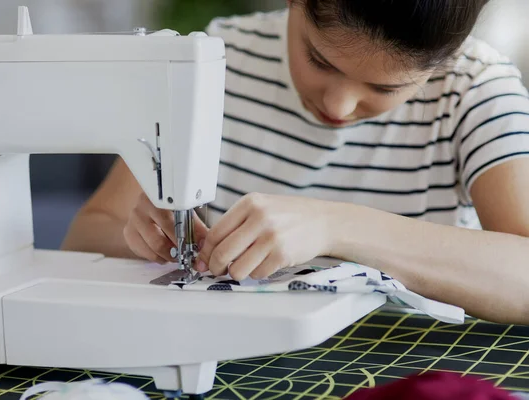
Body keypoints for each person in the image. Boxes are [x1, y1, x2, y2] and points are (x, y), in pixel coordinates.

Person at [62, 0, 529, 324]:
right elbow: (86, 235)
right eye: (320, 60)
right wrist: (152, 240)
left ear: (442, 62)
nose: (340, 106)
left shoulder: (475, 89)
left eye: (386, 89)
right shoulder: (219, 60)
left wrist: (336, 227)